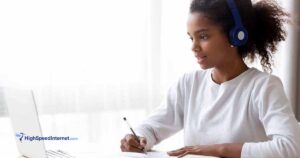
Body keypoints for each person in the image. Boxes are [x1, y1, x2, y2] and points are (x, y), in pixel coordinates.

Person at [120, 0, 300, 157]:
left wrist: (218, 150)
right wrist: (139, 138)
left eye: (203, 36)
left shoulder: (264, 86)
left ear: (236, 35)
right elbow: (152, 128)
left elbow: (292, 147)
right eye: (191, 38)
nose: (194, 47)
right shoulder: (189, 84)